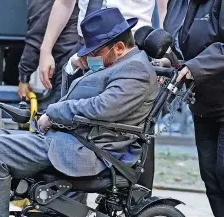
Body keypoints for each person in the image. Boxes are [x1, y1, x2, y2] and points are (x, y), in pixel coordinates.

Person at [0, 8, 158, 217]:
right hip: (72, 138)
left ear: (118, 47)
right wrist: (73, 68)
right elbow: (78, 97)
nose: (89, 59)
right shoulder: (116, 64)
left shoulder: (135, 70)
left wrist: (53, 113)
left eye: (94, 53)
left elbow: (103, 107)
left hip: (88, 150)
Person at [39, 0, 157, 194]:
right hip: (90, 43)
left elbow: (165, 8)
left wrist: (165, 50)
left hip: (128, 47)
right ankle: (68, 209)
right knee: (76, 121)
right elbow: (64, 3)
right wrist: (46, 49)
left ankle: (137, 201)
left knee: (130, 130)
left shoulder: (135, 67)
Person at [164, 0, 224, 217]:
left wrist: (195, 66)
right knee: (210, 175)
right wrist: (167, 61)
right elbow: (176, 43)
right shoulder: (178, 3)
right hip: (203, 104)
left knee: (223, 170)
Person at [17, 0, 79, 111]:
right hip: (77, 56)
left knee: (58, 115)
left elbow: (37, 33)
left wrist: (24, 78)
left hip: (65, 59)